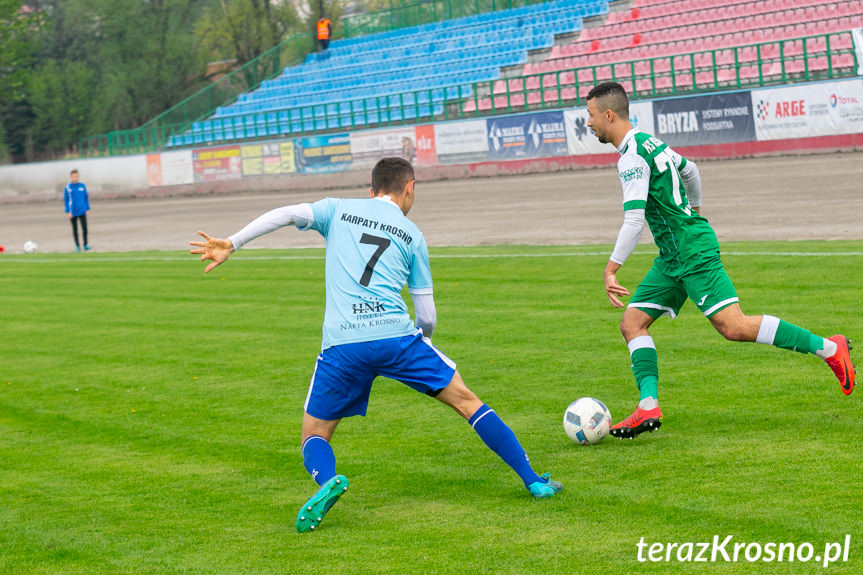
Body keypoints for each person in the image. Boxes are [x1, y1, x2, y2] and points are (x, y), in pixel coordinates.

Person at [190, 157, 562, 533]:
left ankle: (327, 480)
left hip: (343, 344)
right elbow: (427, 313)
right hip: (397, 338)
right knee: (468, 402)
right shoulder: (413, 235)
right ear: (409, 188)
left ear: (370, 191)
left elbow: (286, 213)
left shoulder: (337, 210)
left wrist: (233, 243)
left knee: (315, 434)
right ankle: (533, 480)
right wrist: (420, 347)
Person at [584, 82, 856, 439]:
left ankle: (829, 347)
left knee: (734, 326)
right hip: (672, 256)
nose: (587, 123)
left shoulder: (632, 156)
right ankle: (648, 406)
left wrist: (612, 267)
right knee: (632, 324)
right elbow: (691, 170)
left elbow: (634, 219)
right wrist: (694, 210)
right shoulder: (649, 142)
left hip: (691, 252)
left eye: (589, 115)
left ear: (608, 114)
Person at [64, 169, 91, 252]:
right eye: (73, 176)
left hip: (82, 210)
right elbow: (66, 200)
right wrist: (68, 211)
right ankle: (77, 246)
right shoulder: (68, 188)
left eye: (76, 176)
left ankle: (85, 244)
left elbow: (86, 198)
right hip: (73, 212)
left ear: (78, 176)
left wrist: (87, 208)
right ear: (71, 177)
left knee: (85, 228)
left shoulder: (82, 186)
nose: (75, 178)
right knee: (75, 229)